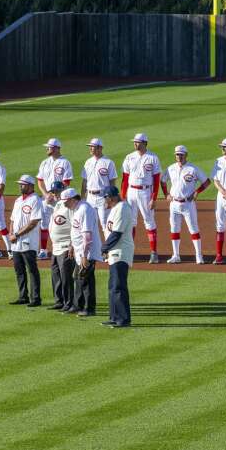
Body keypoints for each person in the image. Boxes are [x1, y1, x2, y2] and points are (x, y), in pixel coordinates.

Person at [160, 145, 210, 264]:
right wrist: (166, 194)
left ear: (186, 155)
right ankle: (176, 255)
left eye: (181, 154)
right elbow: (162, 181)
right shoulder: (171, 168)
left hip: (188, 204)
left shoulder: (193, 169)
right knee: (174, 229)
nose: (179, 156)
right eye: (177, 154)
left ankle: (199, 255)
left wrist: (197, 192)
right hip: (174, 204)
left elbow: (207, 182)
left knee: (193, 229)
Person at [121, 133, 161, 264]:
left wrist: (154, 198)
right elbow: (125, 178)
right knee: (130, 222)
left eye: (138, 142)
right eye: (134, 142)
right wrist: (123, 196)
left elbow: (156, 179)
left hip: (145, 192)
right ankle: (129, 252)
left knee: (149, 221)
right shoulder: (129, 157)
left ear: (145, 143)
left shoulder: (153, 158)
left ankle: (154, 253)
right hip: (131, 191)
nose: (135, 144)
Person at [63, 188, 101, 317]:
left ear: (73, 199)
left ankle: (89, 308)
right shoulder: (77, 209)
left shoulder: (84, 209)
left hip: (87, 252)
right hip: (80, 250)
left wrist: (85, 255)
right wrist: (72, 246)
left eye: (66, 201)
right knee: (78, 278)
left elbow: (87, 236)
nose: (64, 204)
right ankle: (77, 305)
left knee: (86, 279)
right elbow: (76, 231)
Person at [101, 186, 133, 328]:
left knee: (118, 286)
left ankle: (123, 319)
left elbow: (117, 233)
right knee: (112, 286)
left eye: (105, 198)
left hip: (121, 252)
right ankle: (114, 316)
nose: (104, 201)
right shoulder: (115, 208)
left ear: (111, 197)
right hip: (114, 252)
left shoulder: (122, 208)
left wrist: (104, 248)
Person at [8, 175, 43, 307]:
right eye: (20, 184)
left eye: (22, 184)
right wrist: (11, 233)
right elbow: (12, 219)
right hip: (16, 242)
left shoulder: (35, 200)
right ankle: (23, 296)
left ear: (30, 186)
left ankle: (36, 298)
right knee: (19, 270)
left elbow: (33, 223)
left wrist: (16, 234)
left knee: (32, 269)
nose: (20, 186)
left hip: (28, 241)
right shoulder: (18, 200)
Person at [36, 138, 73, 260]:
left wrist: (56, 194)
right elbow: (40, 180)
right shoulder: (44, 162)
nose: (47, 148)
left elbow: (66, 181)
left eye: (49, 147)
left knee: (62, 221)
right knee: (44, 223)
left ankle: (64, 248)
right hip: (46, 198)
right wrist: (46, 194)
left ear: (57, 148)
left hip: (60, 199)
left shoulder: (65, 162)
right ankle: (43, 250)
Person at [80, 137, 117, 239]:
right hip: (90, 198)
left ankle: (109, 250)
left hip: (103, 197)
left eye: (93, 147)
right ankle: (93, 250)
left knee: (105, 225)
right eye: (90, 147)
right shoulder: (88, 162)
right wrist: (83, 198)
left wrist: (110, 199)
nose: (90, 149)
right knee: (90, 224)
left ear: (100, 148)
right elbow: (84, 181)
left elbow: (112, 182)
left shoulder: (108, 162)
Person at [45, 181, 73, 311]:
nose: (54, 194)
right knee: (56, 274)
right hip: (56, 247)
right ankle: (59, 301)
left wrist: (72, 245)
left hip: (65, 246)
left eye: (57, 191)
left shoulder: (68, 206)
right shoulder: (57, 205)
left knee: (66, 276)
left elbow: (75, 226)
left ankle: (69, 302)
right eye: (53, 192)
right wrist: (49, 201)